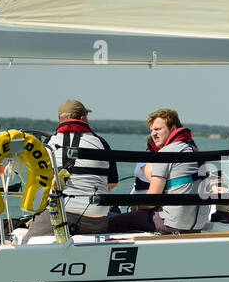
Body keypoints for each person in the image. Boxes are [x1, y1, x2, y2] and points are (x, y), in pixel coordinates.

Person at [23, 99, 118, 237]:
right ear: (83, 118)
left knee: (27, 244)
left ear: (60, 120)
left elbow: (40, 181)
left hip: (58, 215)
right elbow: (112, 183)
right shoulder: (101, 143)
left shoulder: (49, 144)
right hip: (96, 219)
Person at [106, 108, 206, 234]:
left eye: (158, 129)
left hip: (172, 223)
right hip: (198, 224)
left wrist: (137, 206)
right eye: (152, 130)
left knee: (115, 221)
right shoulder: (196, 151)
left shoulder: (165, 153)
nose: (153, 134)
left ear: (173, 129)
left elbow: (151, 200)